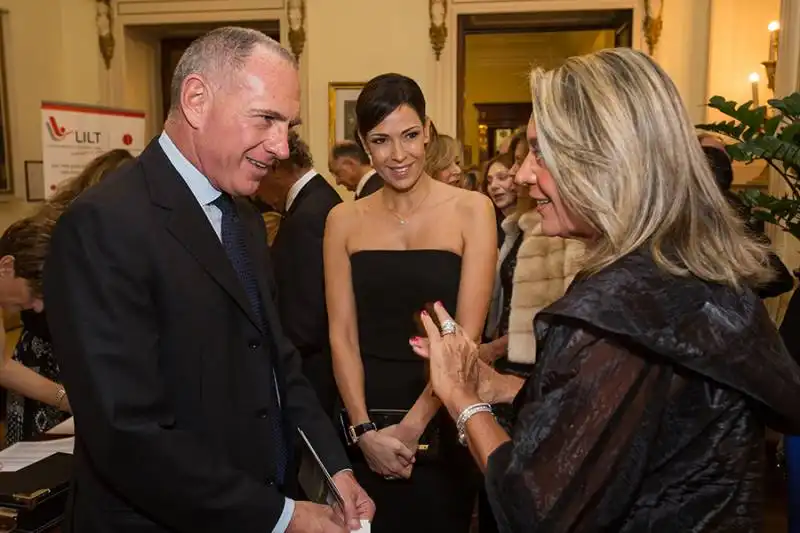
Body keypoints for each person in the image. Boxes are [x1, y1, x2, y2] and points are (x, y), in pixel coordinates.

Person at [412, 48, 800, 532]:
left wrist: (460, 396)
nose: (526, 174)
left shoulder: (616, 312)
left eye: (541, 152)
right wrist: (504, 387)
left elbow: (531, 509)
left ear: (603, 161)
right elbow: (632, 414)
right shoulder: (694, 271)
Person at [44, 27, 373, 533]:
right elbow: (127, 432)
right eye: (265, 119)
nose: (282, 147)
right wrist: (281, 517)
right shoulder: (104, 224)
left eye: (289, 124)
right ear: (196, 100)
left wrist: (337, 469)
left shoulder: (241, 216)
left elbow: (278, 363)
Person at [324, 73, 497, 532]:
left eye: (410, 136)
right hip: (367, 424)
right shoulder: (342, 220)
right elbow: (341, 334)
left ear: (429, 133)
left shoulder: (472, 210)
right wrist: (364, 433)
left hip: (443, 417)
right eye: (381, 141)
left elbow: (466, 338)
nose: (398, 155)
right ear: (364, 143)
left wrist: (412, 427)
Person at [1, 148, 133, 445]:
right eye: (36, 294)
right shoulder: (43, 242)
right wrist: (66, 398)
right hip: (45, 368)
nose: (40, 305)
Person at [265, 131, 343, 415]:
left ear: (275, 166)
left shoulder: (308, 214)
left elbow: (306, 315)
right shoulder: (315, 200)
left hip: (312, 373)